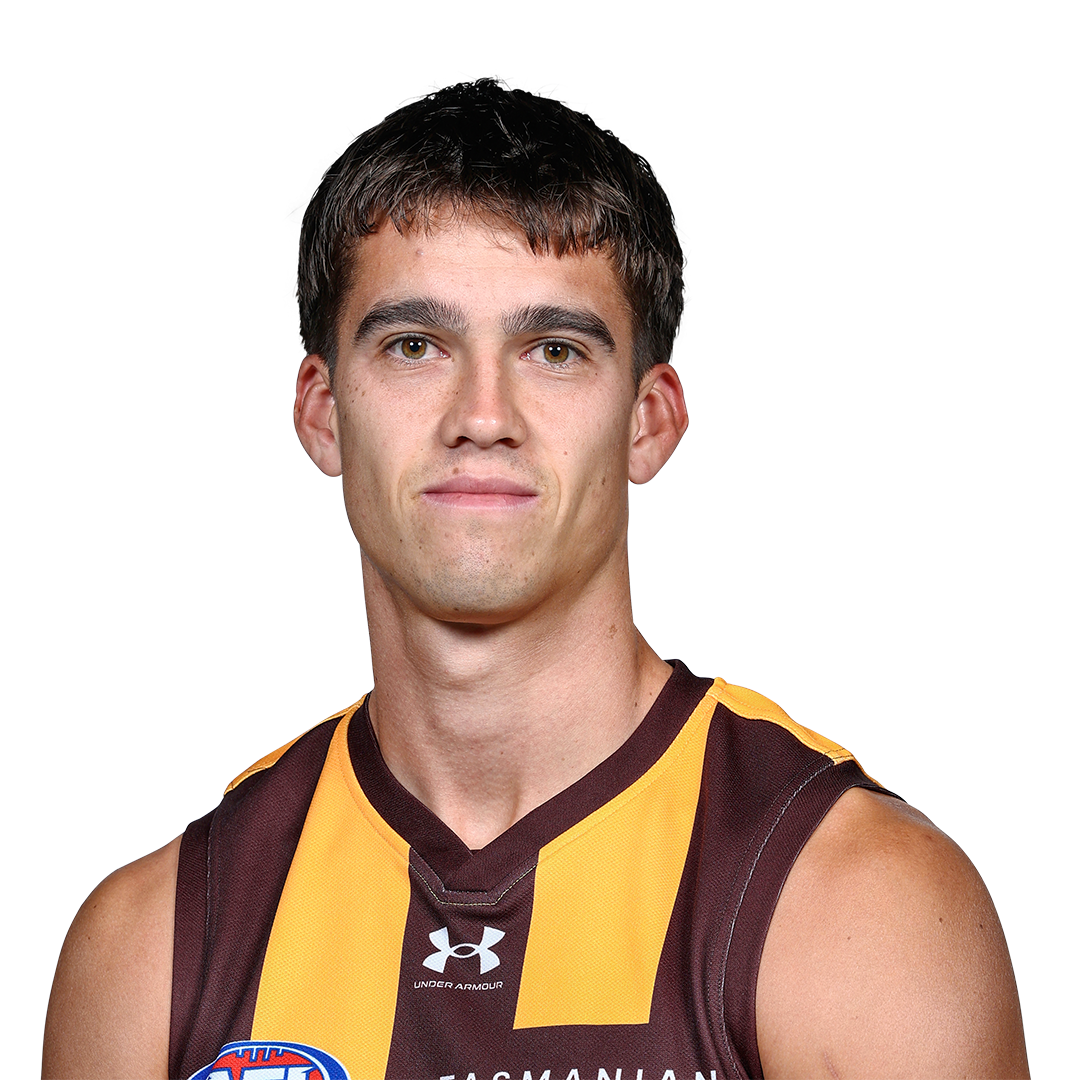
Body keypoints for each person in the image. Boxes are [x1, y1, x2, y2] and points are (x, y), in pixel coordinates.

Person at [41, 72, 1029, 1080]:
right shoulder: (152, 948)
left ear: (648, 423)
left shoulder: (857, 904)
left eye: (553, 350)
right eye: (415, 346)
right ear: (322, 413)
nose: (483, 415)